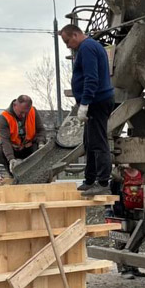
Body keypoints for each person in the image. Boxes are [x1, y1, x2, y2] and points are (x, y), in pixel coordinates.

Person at [60, 24, 114, 196]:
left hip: (97, 101)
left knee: (98, 142)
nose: (67, 46)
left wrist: (85, 103)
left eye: (67, 41)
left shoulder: (87, 48)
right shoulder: (89, 47)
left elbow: (91, 78)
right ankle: (90, 180)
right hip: (95, 101)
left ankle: (103, 182)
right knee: (89, 142)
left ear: (75, 35)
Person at [0, 94, 46, 175]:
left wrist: (41, 143)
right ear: (15, 105)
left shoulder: (33, 111)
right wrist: (11, 159)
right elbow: (5, 141)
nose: (23, 115)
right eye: (21, 112)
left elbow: (41, 130)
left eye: (26, 113)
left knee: (38, 147)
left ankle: (35, 173)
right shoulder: (4, 117)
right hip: (12, 149)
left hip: (28, 147)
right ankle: (14, 175)